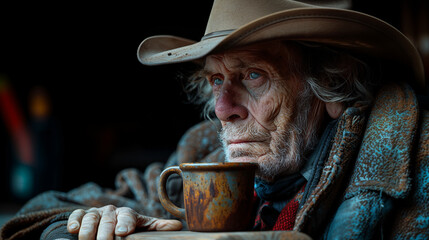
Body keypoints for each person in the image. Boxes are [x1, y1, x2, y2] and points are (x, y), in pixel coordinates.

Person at [1, 0, 428, 239]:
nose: (224, 109)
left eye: (253, 75)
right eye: (216, 79)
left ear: (329, 87)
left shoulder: (410, 159)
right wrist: (94, 222)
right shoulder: (200, 150)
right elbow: (43, 210)